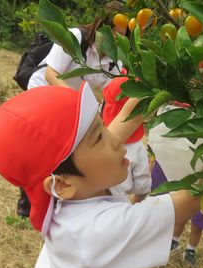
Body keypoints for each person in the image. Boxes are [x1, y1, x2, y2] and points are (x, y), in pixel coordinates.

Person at [0, 83, 202, 268]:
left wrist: (161, 83)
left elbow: (124, 120)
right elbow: (192, 199)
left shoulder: (81, 186)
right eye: (99, 136)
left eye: (102, 125)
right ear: (63, 185)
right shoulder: (100, 229)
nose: (115, 140)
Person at [16, 1, 126, 218]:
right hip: (43, 94)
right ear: (102, 27)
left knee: (62, 154)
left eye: (124, 37)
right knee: (40, 151)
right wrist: (80, 106)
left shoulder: (115, 60)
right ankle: (27, 203)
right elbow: (51, 74)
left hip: (69, 104)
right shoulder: (76, 37)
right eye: (115, 33)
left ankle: (53, 200)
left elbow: (108, 93)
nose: (119, 40)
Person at [151, 160, 203, 267]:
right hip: (191, 176)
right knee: (181, 216)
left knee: (197, 226)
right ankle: (175, 240)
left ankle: (191, 249)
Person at [101, 77, 151, 203]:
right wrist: (134, 203)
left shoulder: (97, 144)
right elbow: (143, 185)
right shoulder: (138, 147)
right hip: (121, 204)